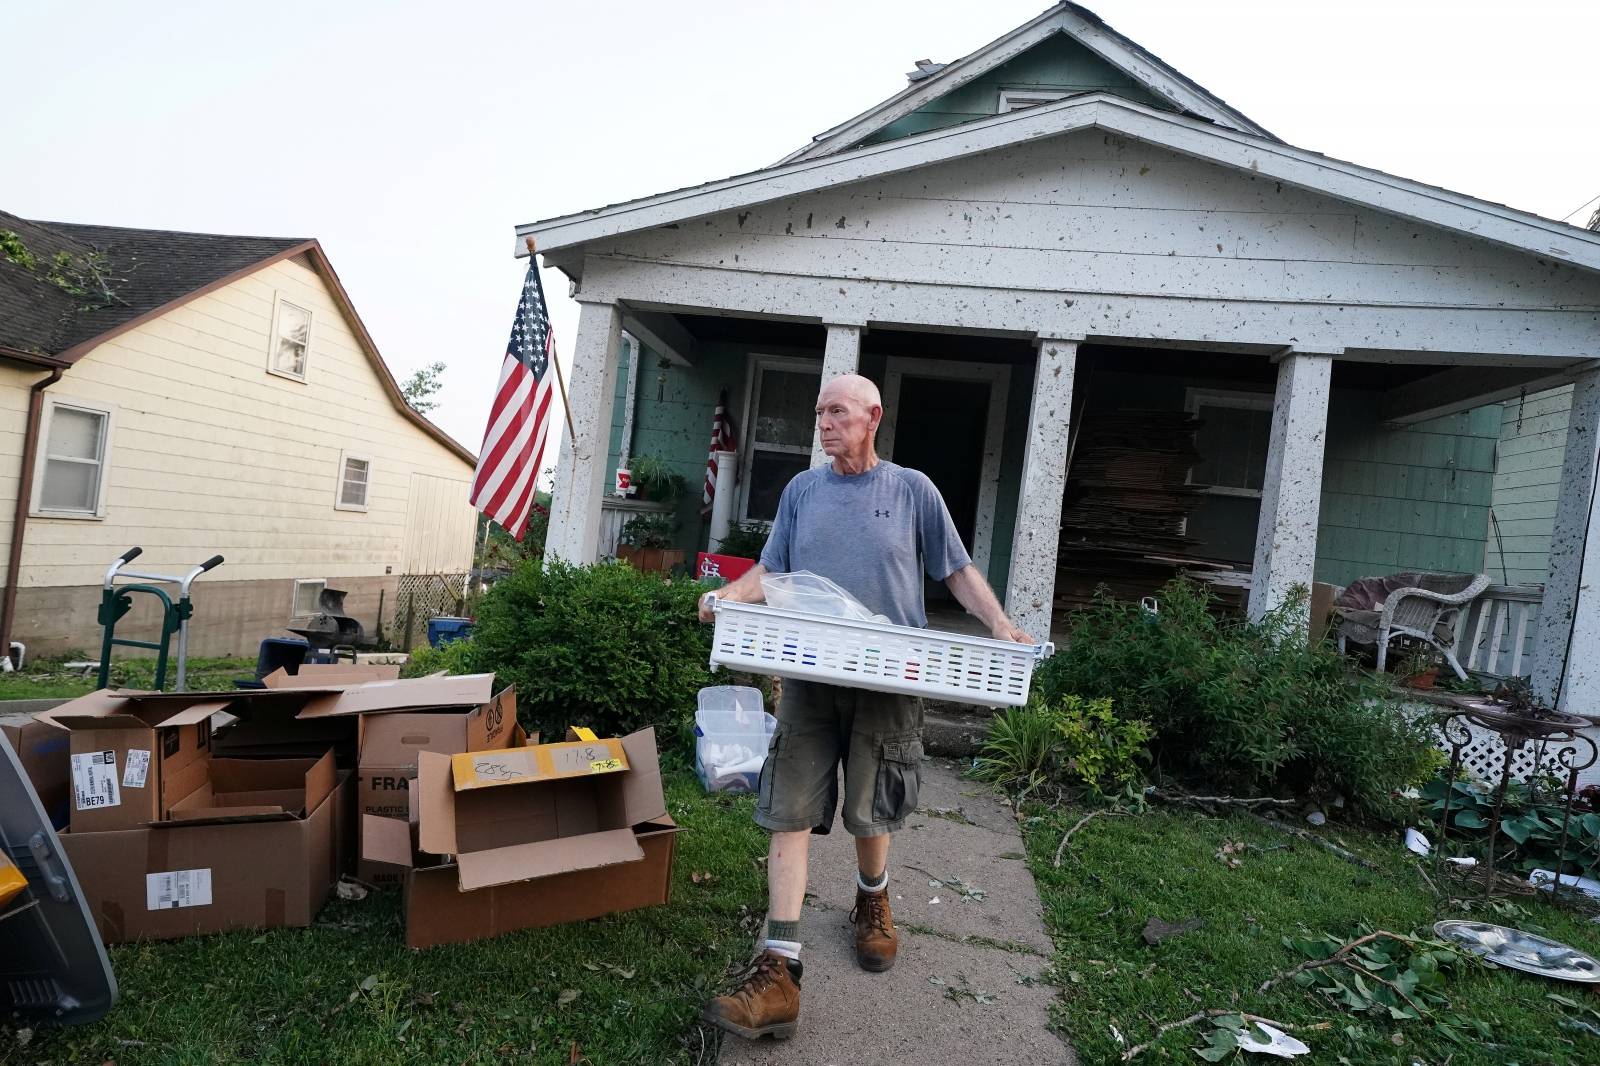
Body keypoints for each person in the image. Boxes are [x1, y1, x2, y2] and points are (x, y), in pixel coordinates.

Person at [697, 372, 1031, 1041]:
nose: (823, 422)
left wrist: (999, 624)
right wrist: (729, 599)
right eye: (820, 412)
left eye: (838, 412)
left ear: (872, 416)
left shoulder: (911, 490)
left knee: (870, 807)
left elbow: (957, 569)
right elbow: (772, 570)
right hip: (809, 678)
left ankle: (872, 901)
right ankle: (779, 971)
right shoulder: (802, 491)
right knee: (787, 806)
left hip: (888, 677)